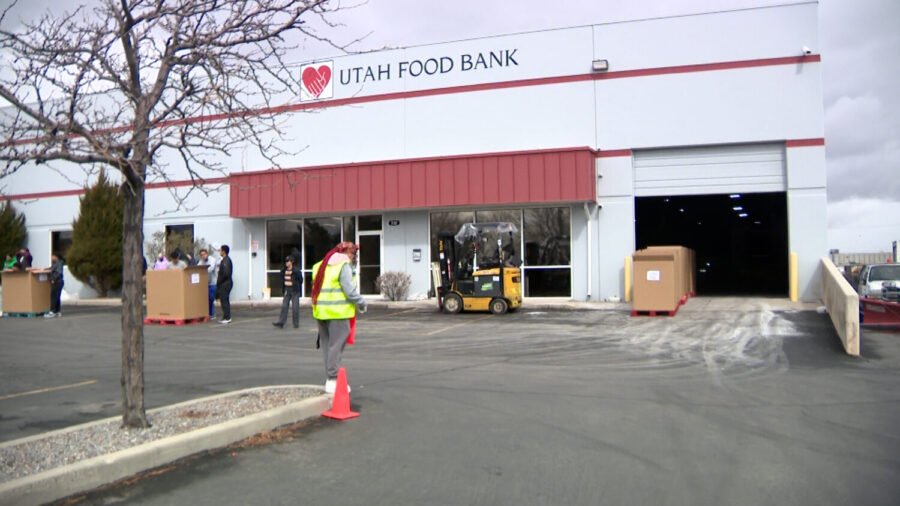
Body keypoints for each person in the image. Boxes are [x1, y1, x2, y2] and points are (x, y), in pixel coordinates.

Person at [311, 242, 367, 394]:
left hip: (321, 312)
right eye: (353, 254)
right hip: (338, 313)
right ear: (347, 253)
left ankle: (330, 379)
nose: (354, 257)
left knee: (327, 346)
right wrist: (362, 302)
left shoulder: (319, 266)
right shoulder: (343, 265)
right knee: (336, 347)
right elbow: (349, 290)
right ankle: (333, 379)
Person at [273, 255, 302, 329]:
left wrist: (296, 286)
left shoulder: (296, 271)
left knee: (295, 308)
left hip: (295, 291)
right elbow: (282, 280)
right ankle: (281, 322)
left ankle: (296, 324)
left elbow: (301, 280)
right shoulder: (283, 271)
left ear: (291, 262)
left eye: (288, 261)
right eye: (286, 261)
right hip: (287, 290)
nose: (286, 263)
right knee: (284, 306)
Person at [198, 248, 218, 320]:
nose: (203, 256)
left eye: (204, 254)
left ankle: (212, 313)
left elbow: (210, 269)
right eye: (201, 255)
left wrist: (202, 270)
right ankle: (208, 313)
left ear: (207, 254)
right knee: (206, 299)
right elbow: (198, 268)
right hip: (205, 283)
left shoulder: (212, 260)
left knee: (211, 298)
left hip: (212, 282)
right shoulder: (201, 261)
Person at [217, 244, 233, 324]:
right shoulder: (224, 260)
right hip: (225, 283)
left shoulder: (226, 261)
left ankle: (227, 317)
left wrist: (219, 281)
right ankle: (226, 316)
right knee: (224, 300)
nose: (219, 252)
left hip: (225, 283)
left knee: (224, 300)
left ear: (223, 251)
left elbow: (226, 274)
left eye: (220, 250)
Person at [45, 253, 64, 318]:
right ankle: (57, 311)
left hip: (57, 282)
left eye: (52, 257)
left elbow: (58, 273)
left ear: (56, 257)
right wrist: (44, 270)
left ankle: (52, 312)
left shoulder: (59, 263)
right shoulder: (55, 264)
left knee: (54, 297)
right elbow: (51, 269)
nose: (51, 258)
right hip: (57, 282)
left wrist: (53, 279)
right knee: (57, 297)